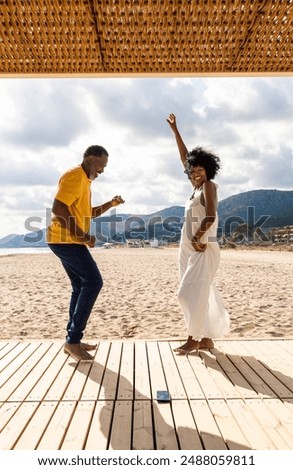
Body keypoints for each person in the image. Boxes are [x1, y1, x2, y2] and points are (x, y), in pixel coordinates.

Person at [47, 145, 125, 361]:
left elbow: (87, 213)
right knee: (93, 282)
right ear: (91, 159)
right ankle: (72, 341)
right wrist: (82, 236)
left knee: (80, 285)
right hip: (65, 240)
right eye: (101, 165)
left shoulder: (85, 181)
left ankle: (72, 340)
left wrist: (111, 203)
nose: (102, 170)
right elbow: (58, 208)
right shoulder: (75, 176)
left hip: (66, 240)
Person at [166, 113, 230, 354]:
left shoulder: (208, 186)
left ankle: (193, 338)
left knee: (187, 292)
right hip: (187, 245)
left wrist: (197, 238)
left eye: (200, 171)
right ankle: (204, 338)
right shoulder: (193, 188)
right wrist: (176, 131)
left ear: (208, 170)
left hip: (203, 245)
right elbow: (185, 159)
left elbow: (211, 215)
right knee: (199, 291)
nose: (195, 174)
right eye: (193, 171)